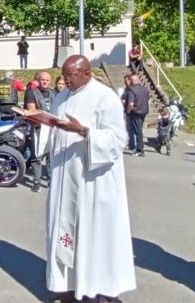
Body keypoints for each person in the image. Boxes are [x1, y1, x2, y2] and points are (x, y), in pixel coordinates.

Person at [44, 55, 135, 302]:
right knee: (64, 232)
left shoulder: (105, 97)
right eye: (64, 76)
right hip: (64, 175)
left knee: (93, 235)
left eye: (70, 76)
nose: (66, 81)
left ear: (86, 73)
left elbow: (118, 139)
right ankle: (68, 286)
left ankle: (97, 289)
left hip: (92, 180)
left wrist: (84, 131)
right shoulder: (62, 97)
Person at [24, 71, 54, 192]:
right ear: (38, 81)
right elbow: (32, 111)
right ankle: (37, 181)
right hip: (38, 127)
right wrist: (41, 119)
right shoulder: (32, 93)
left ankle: (51, 180)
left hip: (51, 127)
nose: (45, 82)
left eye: (47, 80)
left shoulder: (53, 93)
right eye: (42, 80)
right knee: (37, 155)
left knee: (50, 155)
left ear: (50, 81)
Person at [122, 73, 150, 157]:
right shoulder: (144, 89)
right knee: (139, 130)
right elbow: (148, 100)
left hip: (135, 112)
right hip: (144, 111)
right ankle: (138, 147)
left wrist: (128, 112)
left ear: (132, 81)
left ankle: (140, 150)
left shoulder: (132, 90)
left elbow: (130, 104)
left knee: (138, 131)